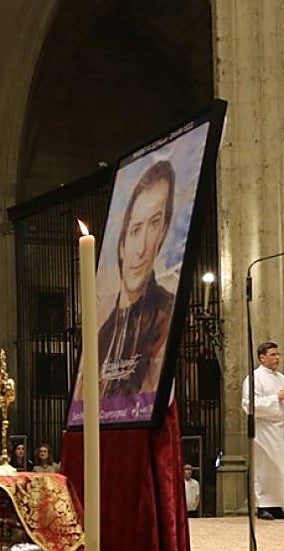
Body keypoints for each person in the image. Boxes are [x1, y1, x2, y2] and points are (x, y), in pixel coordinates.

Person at [98, 159, 177, 399]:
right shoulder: (103, 332)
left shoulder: (165, 314)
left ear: (163, 232)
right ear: (121, 244)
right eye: (135, 230)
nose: (142, 248)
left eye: (154, 224)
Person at [241, 341, 284, 520]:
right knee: (265, 468)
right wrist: (277, 397)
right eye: (273, 354)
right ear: (261, 357)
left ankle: (278, 505)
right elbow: (249, 405)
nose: (277, 358)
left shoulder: (282, 378)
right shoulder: (254, 378)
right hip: (264, 429)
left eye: (278, 354)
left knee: (281, 467)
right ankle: (262, 506)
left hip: (280, 429)